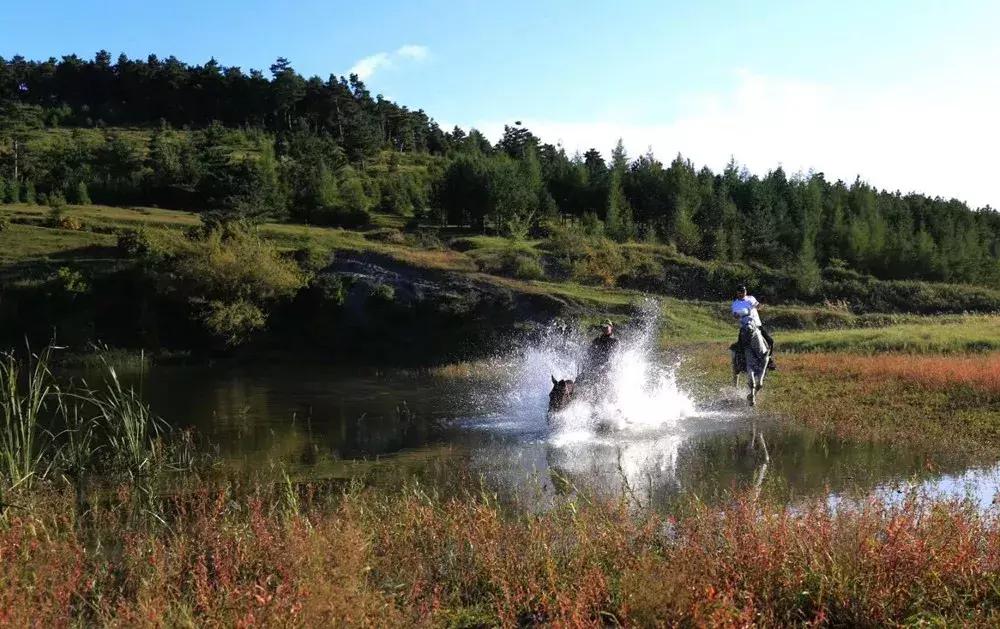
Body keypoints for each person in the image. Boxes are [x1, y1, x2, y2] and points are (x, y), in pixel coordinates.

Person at [731, 286, 777, 370]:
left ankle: (769, 360)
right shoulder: (735, 303)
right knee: (740, 346)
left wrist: (761, 304)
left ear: (745, 291)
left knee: (770, 341)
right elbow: (735, 315)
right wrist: (740, 314)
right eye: (740, 292)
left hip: (757, 325)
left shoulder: (751, 298)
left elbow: (758, 307)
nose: (742, 294)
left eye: (743, 292)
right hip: (745, 327)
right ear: (737, 293)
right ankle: (739, 363)